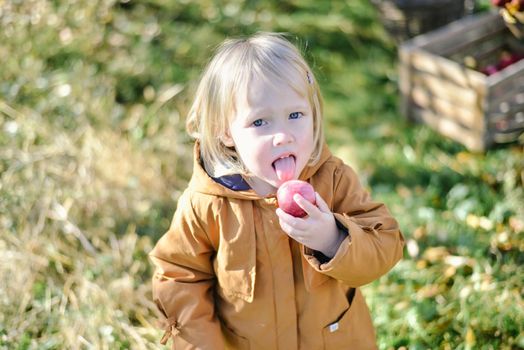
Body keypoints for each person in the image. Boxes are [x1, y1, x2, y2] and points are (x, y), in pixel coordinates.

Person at [149, 32, 405, 350]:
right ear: (226, 133)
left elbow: (386, 244)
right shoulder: (207, 204)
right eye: (260, 122)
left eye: (295, 115)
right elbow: (179, 275)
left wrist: (332, 238)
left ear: (313, 116)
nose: (283, 136)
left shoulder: (333, 179)